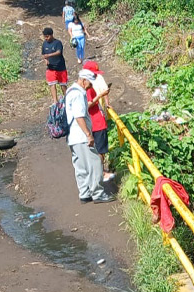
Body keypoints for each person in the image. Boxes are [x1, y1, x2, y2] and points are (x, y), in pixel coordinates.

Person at [65, 69, 115, 204]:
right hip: (80, 136)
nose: (91, 86)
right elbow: (79, 116)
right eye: (90, 83)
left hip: (72, 137)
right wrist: (88, 134)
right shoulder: (78, 94)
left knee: (80, 166)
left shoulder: (70, 91)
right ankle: (97, 193)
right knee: (95, 162)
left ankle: (84, 193)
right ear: (83, 80)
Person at [82, 60, 114, 181]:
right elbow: (89, 105)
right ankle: (100, 173)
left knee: (97, 150)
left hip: (95, 121)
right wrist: (100, 95)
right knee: (100, 150)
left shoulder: (85, 86)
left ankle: (98, 172)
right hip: (96, 123)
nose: (95, 76)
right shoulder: (88, 88)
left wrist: (106, 103)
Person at [41, 27, 67, 104]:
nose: (46, 38)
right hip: (50, 68)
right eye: (45, 36)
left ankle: (67, 99)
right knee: (52, 84)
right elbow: (43, 54)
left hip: (60, 67)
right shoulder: (44, 43)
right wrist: (45, 60)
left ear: (51, 35)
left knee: (63, 85)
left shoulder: (58, 43)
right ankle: (55, 101)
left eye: (47, 36)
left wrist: (49, 55)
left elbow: (59, 52)